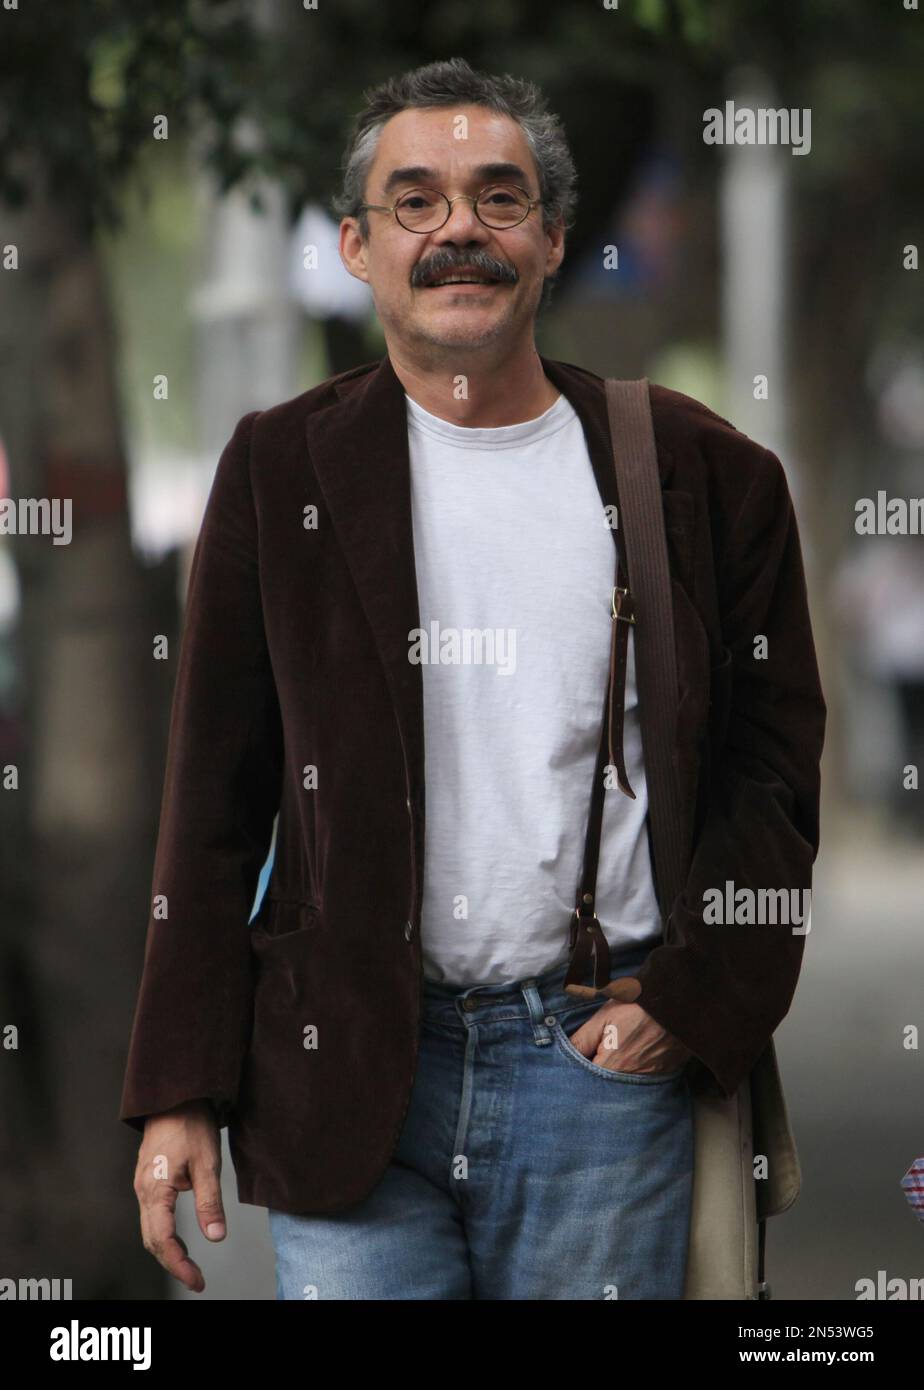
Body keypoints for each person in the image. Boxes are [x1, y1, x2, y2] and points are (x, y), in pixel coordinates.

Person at [120, 57, 826, 1300]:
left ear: (555, 241)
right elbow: (214, 805)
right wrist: (180, 1088)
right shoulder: (278, 468)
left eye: (500, 200)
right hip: (347, 1077)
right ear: (355, 244)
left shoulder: (704, 478)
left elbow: (774, 776)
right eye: (417, 201)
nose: (460, 229)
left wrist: (698, 996)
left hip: (600, 1075)